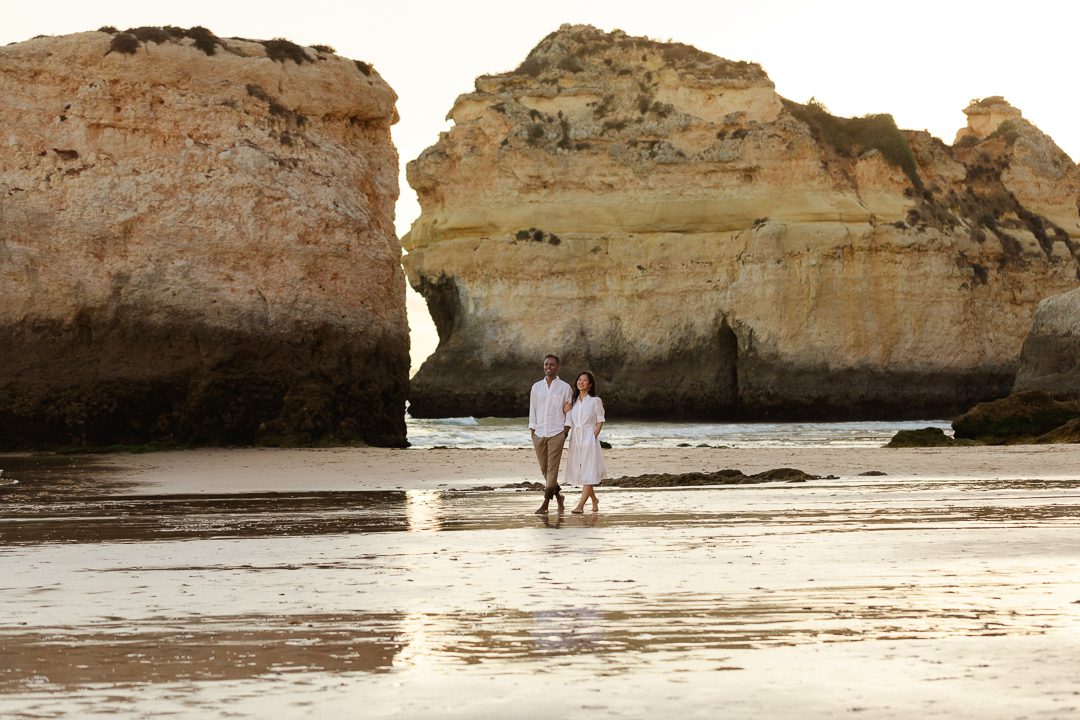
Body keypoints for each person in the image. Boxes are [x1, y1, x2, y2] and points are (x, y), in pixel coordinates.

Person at [529, 354, 572, 514]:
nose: (548, 367)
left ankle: (546, 503)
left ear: (557, 367)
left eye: (552, 364)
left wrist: (565, 431)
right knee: (544, 468)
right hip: (539, 432)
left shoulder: (565, 387)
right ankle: (559, 496)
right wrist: (532, 431)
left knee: (552, 469)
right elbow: (532, 409)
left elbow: (569, 411)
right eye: (546, 364)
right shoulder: (536, 387)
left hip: (557, 433)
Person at [562, 371, 607, 513]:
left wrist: (592, 438)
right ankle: (594, 499)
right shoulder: (573, 402)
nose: (581, 382)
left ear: (590, 384)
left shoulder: (595, 401)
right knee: (582, 472)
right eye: (579, 379)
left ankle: (580, 505)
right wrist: (564, 411)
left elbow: (600, 421)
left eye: (585, 380)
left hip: (589, 437)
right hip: (575, 439)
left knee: (589, 470)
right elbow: (567, 419)